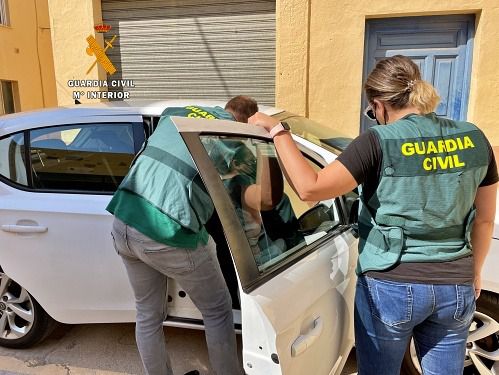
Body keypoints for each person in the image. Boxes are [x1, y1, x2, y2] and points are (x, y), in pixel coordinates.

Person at [248, 55, 498, 375]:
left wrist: (278, 132)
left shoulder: (377, 142)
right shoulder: (476, 138)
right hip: (455, 284)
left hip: (392, 283)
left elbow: (310, 188)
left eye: (372, 113)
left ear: (378, 105)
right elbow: (485, 219)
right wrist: (475, 272)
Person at [107, 103, 246, 375]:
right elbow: (256, 197)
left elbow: (168, 109)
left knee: (147, 315)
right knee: (217, 311)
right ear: (241, 122)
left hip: (123, 220)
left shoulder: (181, 113)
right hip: (166, 231)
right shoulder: (226, 132)